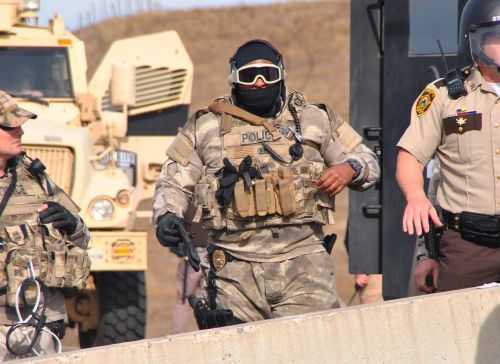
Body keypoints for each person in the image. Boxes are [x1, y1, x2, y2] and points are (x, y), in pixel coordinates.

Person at [153, 39, 379, 326]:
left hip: (304, 265)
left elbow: (368, 161)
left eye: (268, 75)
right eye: (249, 76)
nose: (259, 83)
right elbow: (173, 180)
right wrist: (166, 215)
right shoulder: (205, 127)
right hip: (234, 270)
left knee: (311, 349)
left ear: (281, 75)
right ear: (234, 79)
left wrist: (350, 168)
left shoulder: (313, 119)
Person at [396, 0, 500, 293]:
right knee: (454, 331)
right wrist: (415, 196)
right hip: (467, 245)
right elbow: (410, 156)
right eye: (496, 37)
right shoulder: (444, 96)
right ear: (474, 41)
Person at [0, 91, 90, 359]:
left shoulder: (36, 178)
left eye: (19, 124)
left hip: (38, 323)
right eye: (8, 126)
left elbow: (83, 239)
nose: (19, 131)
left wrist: (72, 224)